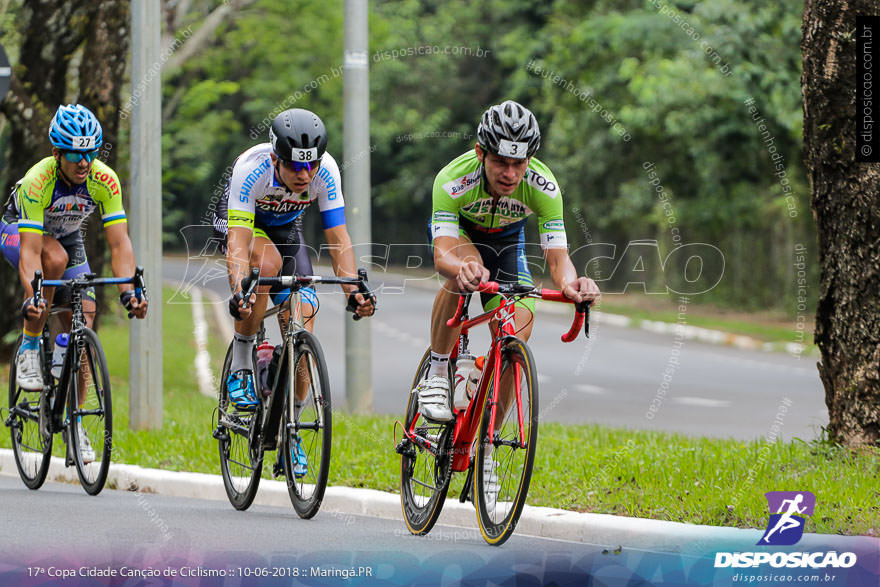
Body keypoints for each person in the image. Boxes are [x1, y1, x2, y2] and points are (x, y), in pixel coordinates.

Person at [414, 99, 601, 423]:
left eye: (519, 162)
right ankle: (438, 372)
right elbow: (442, 255)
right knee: (466, 270)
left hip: (506, 245)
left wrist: (574, 285)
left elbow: (558, 259)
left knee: (518, 334)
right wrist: (461, 268)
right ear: (480, 153)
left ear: (530, 159)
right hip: (461, 237)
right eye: (500, 162)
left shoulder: (544, 186)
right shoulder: (452, 180)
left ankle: (486, 452)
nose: (510, 173)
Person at [214, 108, 375, 472]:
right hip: (242, 224)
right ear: (275, 158)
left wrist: (353, 291)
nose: (305, 175)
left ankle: (291, 431)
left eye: (311, 166)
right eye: (295, 167)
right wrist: (240, 289)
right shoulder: (251, 170)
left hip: (287, 231)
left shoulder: (326, 171)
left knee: (304, 319)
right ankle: (242, 362)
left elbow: (338, 238)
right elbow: (238, 243)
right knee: (265, 268)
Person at [1, 104, 149, 462]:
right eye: (75, 154)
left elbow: (119, 242)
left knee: (85, 316)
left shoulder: (104, 179)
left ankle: (73, 420)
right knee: (53, 261)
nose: (84, 162)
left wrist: (130, 291)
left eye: (91, 153)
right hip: (20, 233)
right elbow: (33, 253)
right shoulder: (40, 180)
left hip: (67, 238)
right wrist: (34, 296)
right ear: (57, 153)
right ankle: (30, 346)